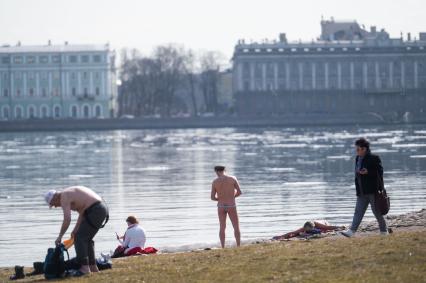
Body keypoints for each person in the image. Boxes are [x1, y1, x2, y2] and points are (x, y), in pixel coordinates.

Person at [44, 186, 109, 276]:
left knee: (80, 238)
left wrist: (60, 236)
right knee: (86, 239)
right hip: (101, 208)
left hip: (96, 210)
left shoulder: (64, 196)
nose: (54, 206)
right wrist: (75, 229)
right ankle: (93, 267)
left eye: (52, 203)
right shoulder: (69, 193)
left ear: (55, 197)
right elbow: (82, 213)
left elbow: (67, 219)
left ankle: (84, 268)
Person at [342, 138, 388, 237]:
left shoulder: (374, 158)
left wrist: (368, 172)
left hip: (373, 191)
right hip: (361, 191)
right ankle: (351, 231)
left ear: (364, 149)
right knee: (358, 211)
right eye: (356, 149)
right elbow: (357, 174)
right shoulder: (357, 158)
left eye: (358, 149)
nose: (356, 151)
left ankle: (384, 231)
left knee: (377, 212)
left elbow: (380, 173)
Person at [211, 165, 242, 248]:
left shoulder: (215, 182)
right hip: (231, 205)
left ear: (216, 171)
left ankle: (223, 247)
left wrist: (220, 199)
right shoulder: (232, 179)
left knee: (222, 227)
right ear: (225, 170)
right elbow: (239, 192)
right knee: (236, 226)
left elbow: (212, 197)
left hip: (221, 206)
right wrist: (232, 197)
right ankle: (238, 245)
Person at [272, 220, 345, 240]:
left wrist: (339, 227)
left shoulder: (317, 224)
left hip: (324, 223)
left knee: (325, 229)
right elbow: (293, 232)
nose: (307, 231)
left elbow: (329, 227)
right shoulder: (305, 227)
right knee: (297, 233)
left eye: (309, 230)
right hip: (312, 227)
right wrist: (281, 236)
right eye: (307, 230)